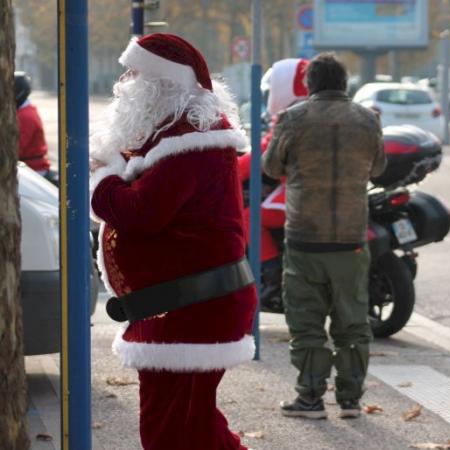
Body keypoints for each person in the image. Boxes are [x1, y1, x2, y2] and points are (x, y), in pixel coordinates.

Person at [89, 33, 257, 450]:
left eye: (135, 72)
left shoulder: (192, 141)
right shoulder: (172, 133)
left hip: (193, 307)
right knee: (186, 423)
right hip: (180, 306)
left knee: (177, 428)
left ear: (164, 83)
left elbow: (142, 214)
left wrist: (104, 178)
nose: (125, 80)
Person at [263, 52, 386, 419]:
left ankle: (311, 398)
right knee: (352, 321)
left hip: (304, 236)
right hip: (350, 239)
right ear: (344, 83)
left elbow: (270, 166)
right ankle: (350, 400)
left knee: (306, 321)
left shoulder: (292, 119)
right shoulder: (368, 119)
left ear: (311, 84)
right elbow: (378, 167)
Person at [238, 58, 309, 297]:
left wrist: (231, 170)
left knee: (249, 217)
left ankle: (270, 272)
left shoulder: (290, 119)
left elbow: (262, 157)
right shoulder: (319, 110)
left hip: (300, 194)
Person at [15, 72, 51, 175]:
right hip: (26, 168)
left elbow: (15, 149)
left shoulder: (25, 116)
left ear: (17, 92)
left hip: (34, 170)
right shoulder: (23, 111)